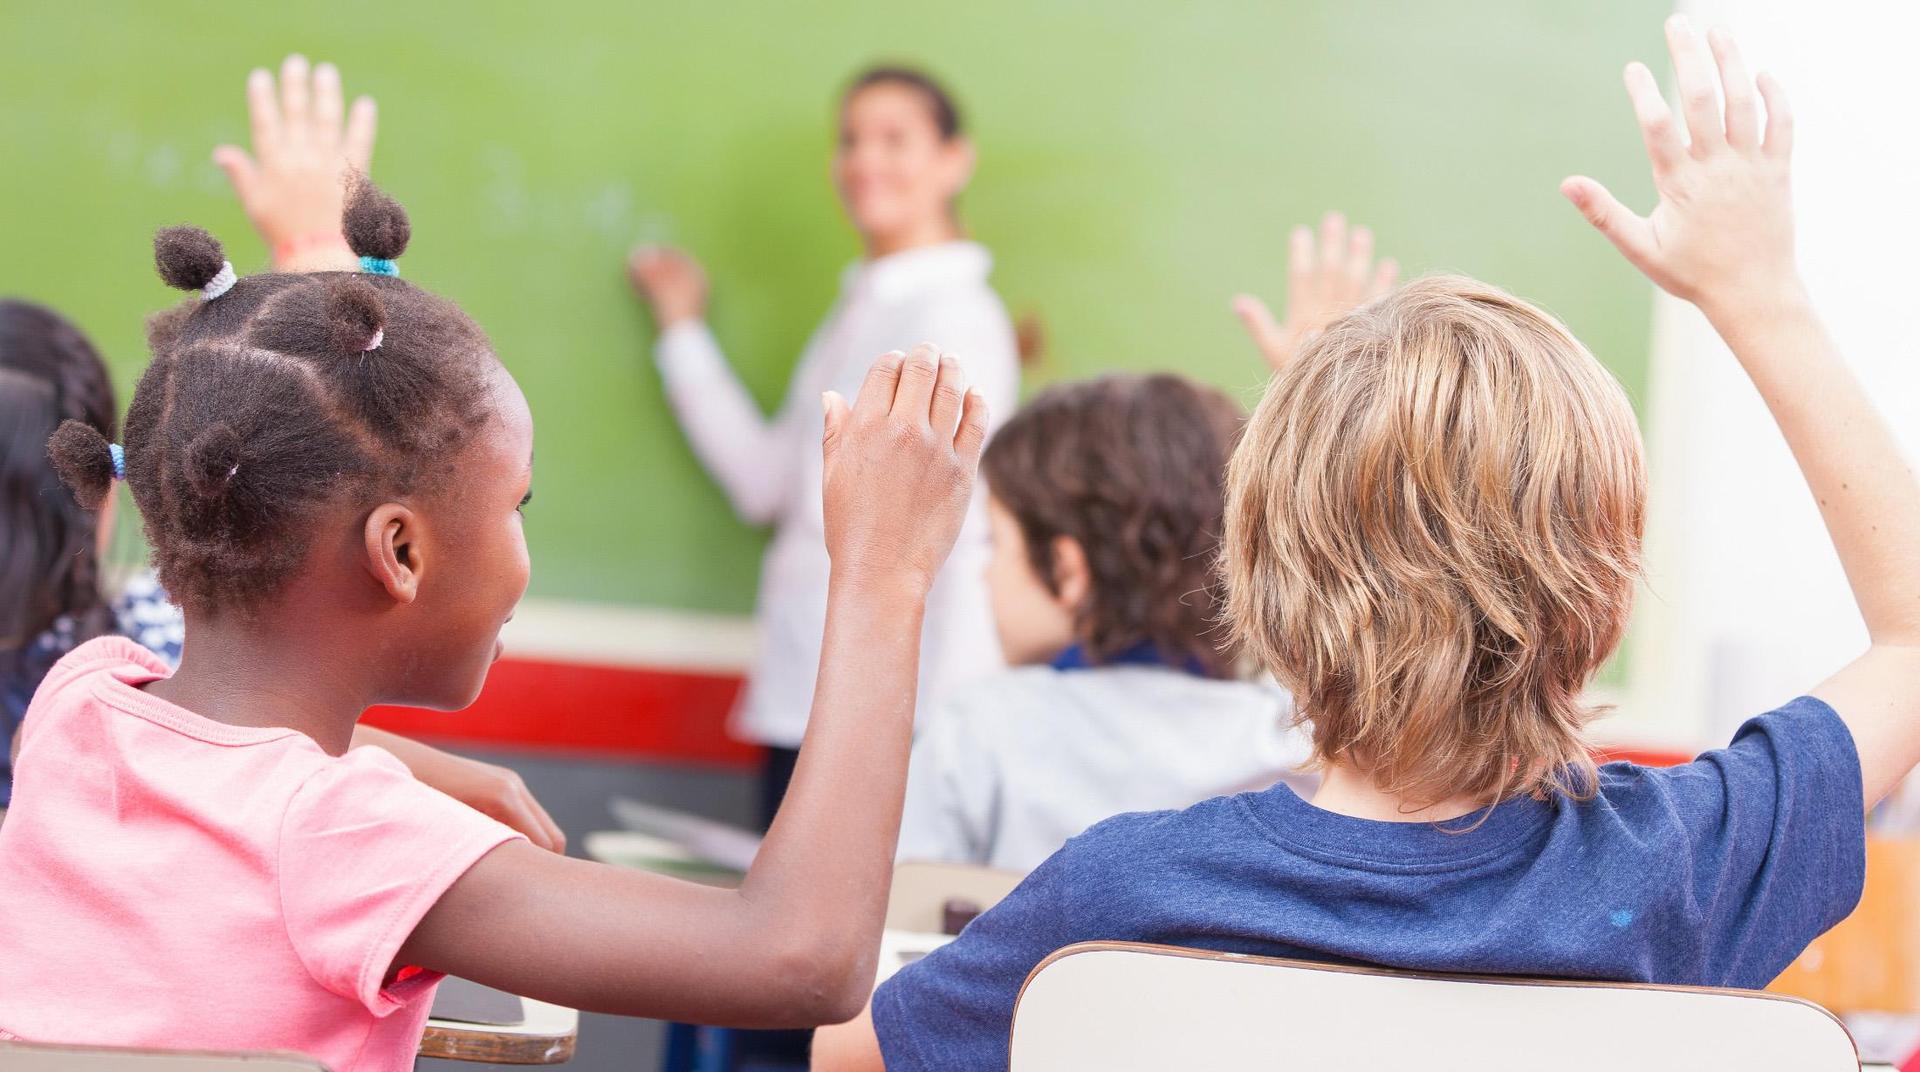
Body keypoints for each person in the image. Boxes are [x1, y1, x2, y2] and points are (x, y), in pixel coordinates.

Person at [814, 18, 1917, 1070]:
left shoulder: (1117, 902)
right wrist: (1758, 294)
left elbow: (846, 1054)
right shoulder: (1677, 869)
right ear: (1608, 602)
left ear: (1250, 574)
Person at [627, 66, 1019, 827]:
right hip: (810, 695)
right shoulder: (864, 307)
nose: (864, 160)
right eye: (850, 139)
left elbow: (953, 530)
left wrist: (932, 731)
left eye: (894, 138)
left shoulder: (954, 317)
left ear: (954, 160)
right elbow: (770, 483)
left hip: (882, 716)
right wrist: (682, 333)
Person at [896, 372, 1311, 872]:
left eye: (994, 544)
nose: (985, 575)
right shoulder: (1295, 740)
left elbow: (899, 926)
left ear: (1067, 569)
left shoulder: (976, 732)